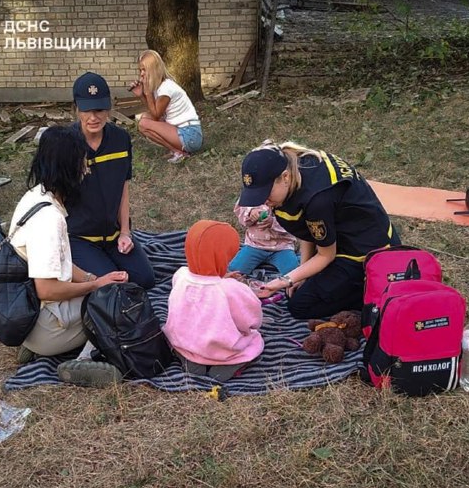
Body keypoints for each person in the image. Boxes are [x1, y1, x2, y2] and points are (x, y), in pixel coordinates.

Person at [9, 126, 128, 387]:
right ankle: (87, 359)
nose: (86, 169)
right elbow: (46, 288)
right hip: (44, 325)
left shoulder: (36, 196)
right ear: (68, 168)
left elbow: (58, 262)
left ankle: (39, 346)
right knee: (115, 302)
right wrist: (96, 286)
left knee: (106, 286)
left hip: (25, 316)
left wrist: (91, 277)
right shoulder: (49, 219)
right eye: (82, 163)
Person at [238, 141, 400, 320]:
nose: (264, 201)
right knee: (296, 288)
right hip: (344, 236)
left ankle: (371, 291)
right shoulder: (296, 164)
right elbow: (307, 227)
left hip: (366, 253)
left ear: (285, 177)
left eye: (266, 193)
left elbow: (325, 255)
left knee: (300, 305)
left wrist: (282, 281)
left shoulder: (317, 199)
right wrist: (300, 274)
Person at [67, 71, 155, 290]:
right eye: (87, 110)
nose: (93, 117)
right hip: (79, 237)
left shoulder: (121, 139)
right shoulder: (65, 144)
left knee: (145, 280)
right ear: (77, 108)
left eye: (99, 109)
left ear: (109, 108)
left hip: (114, 235)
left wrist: (125, 232)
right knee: (115, 286)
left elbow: (123, 189)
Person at [163, 220, 263, 382]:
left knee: (188, 347)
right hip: (222, 349)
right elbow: (252, 321)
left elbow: (202, 285)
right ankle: (226, 366)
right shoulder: (231, 289)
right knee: (255, 341)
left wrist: (220, 276)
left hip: (185, 342)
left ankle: (191, 361)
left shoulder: (180, 275)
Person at [129, 49, 203, 163]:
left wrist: (147, 93)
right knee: (144, 117)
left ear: (153, 70)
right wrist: (141, 95)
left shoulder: (166, 88)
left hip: (190, 135)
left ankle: (178, 152)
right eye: (140, 70)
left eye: (144, 70)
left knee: (144, 123)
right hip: (183, 131)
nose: (141, 74)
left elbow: (156, 116)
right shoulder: (159, 87)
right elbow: (153, 112)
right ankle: (177, 151)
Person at [227, 201, 298, 278]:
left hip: (282, 247)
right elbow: (240, 209)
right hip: (255, 245)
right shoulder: (251, 195)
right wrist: (250, 211)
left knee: (295, 274)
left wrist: (273, 223)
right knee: (234, 271)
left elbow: (294, 225)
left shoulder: (290, 199)